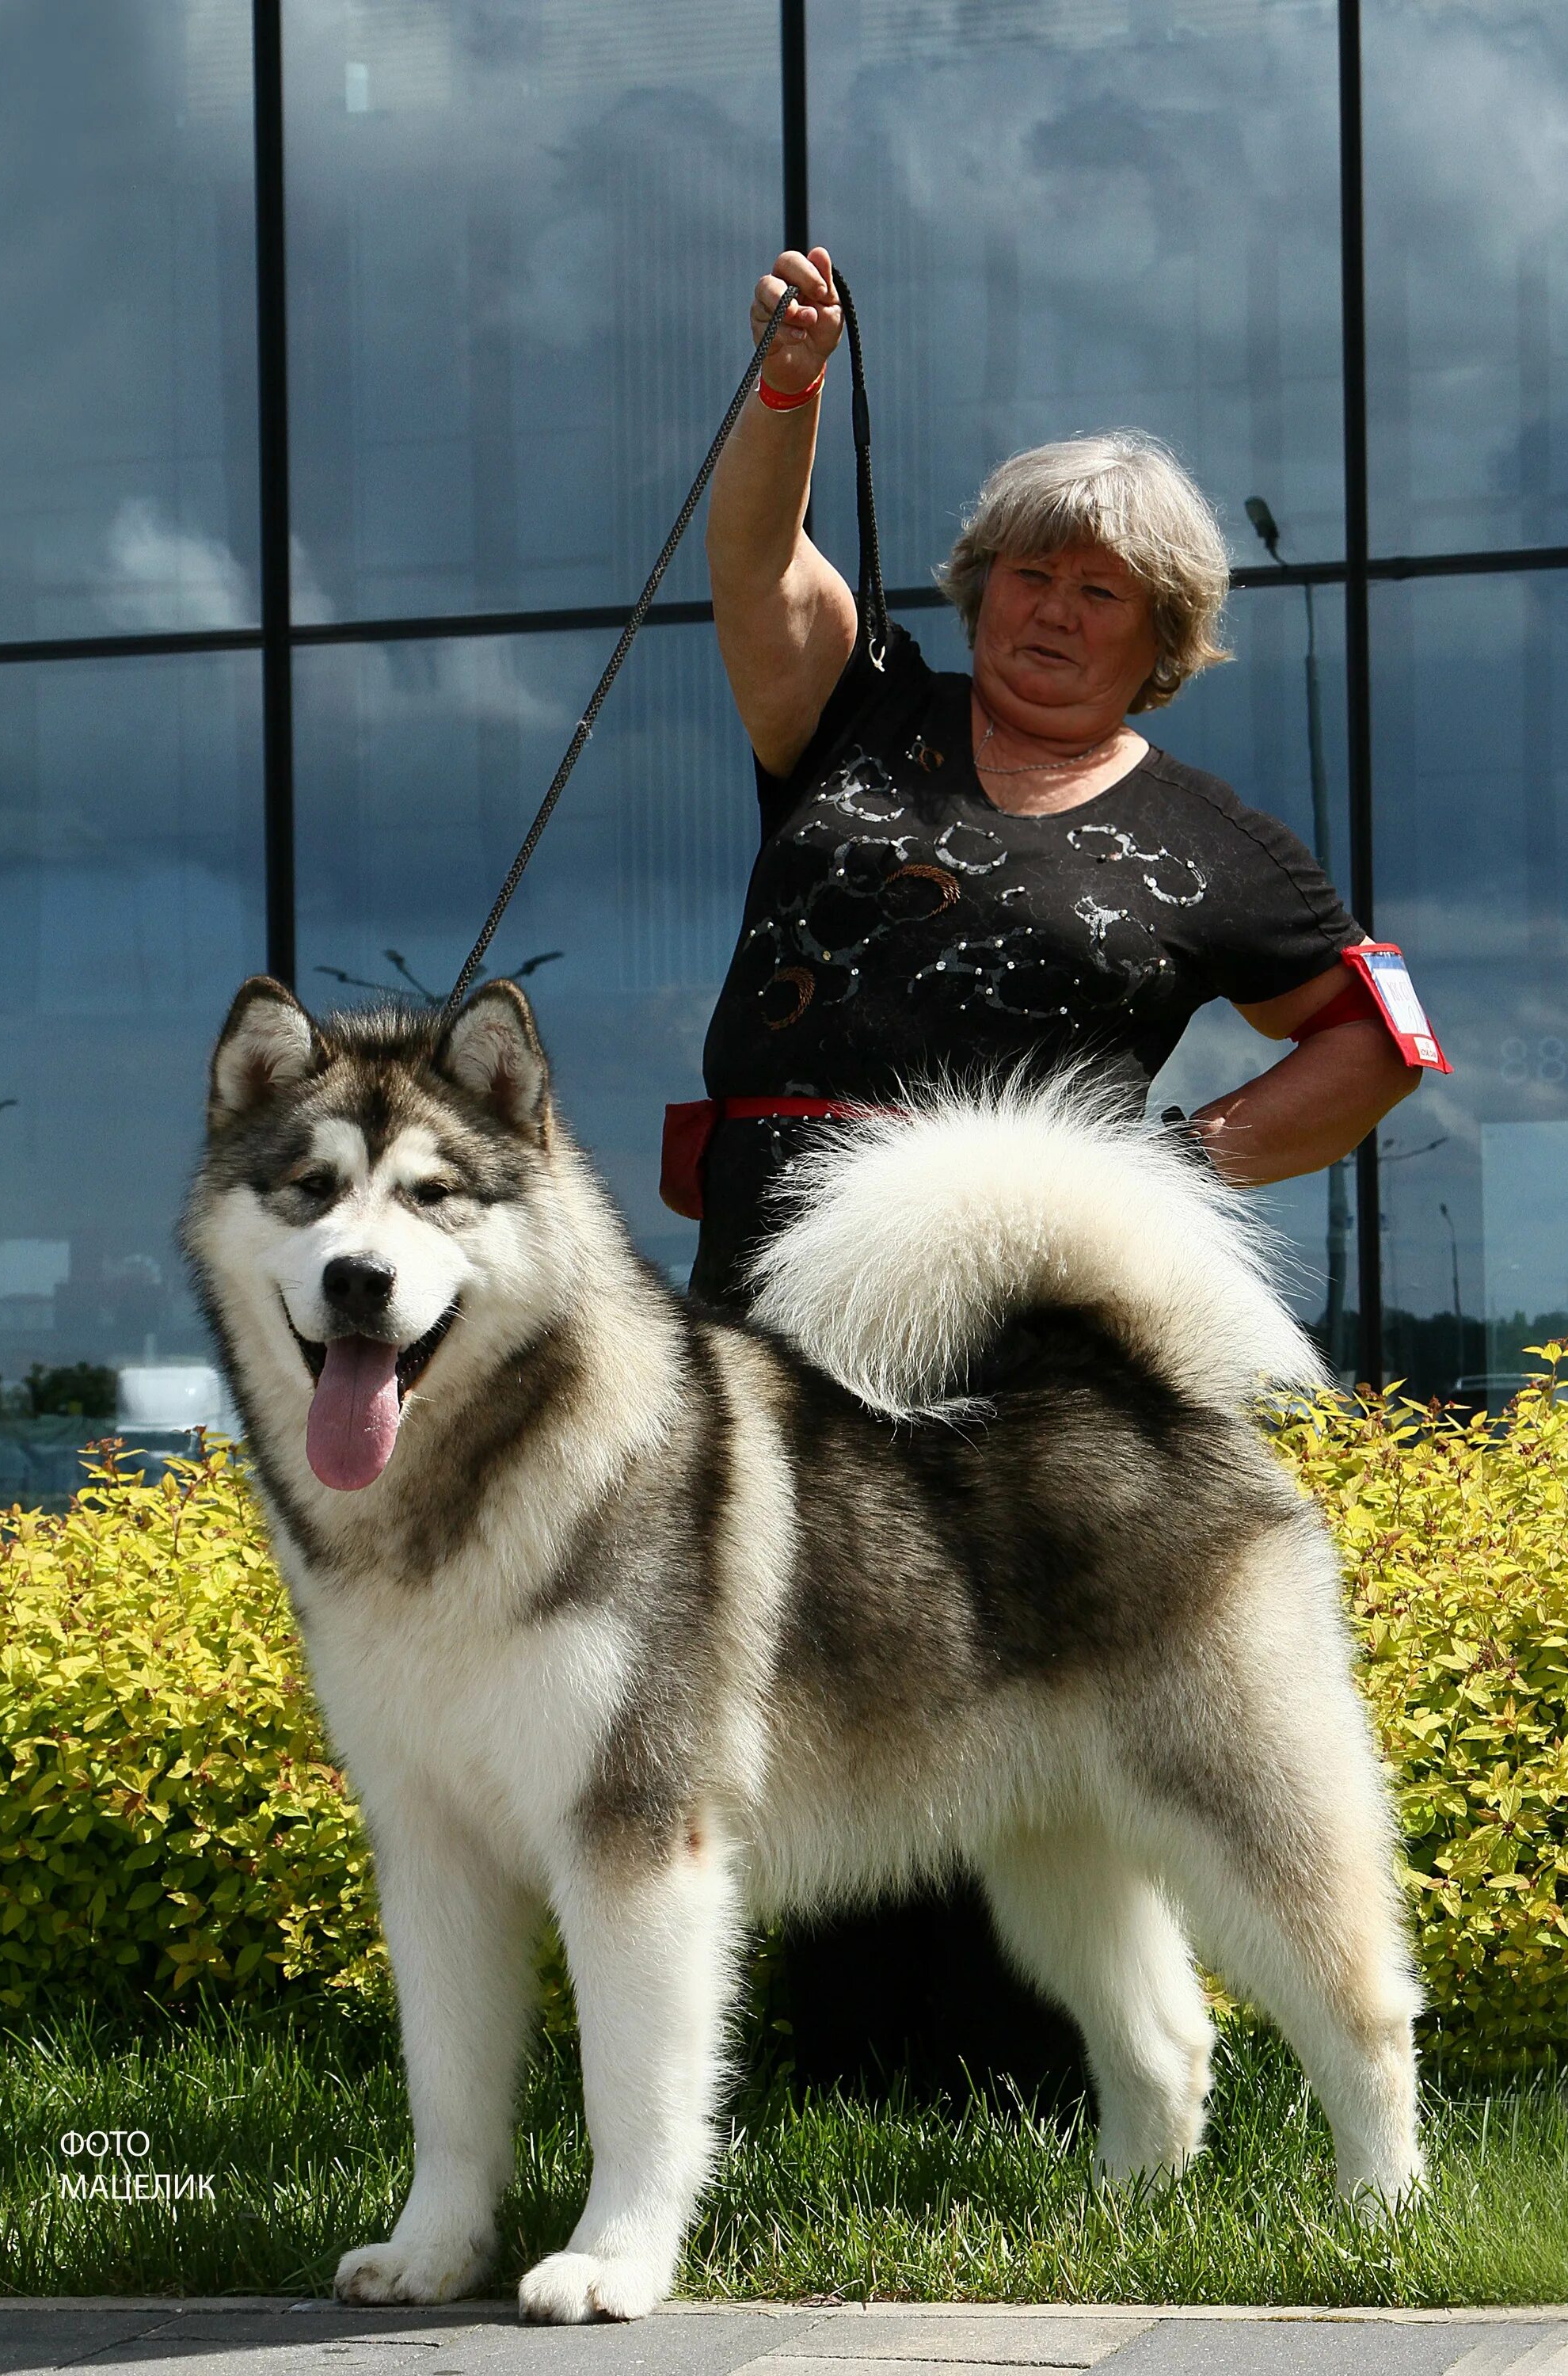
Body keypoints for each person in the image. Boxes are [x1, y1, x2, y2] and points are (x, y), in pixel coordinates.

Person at [688, 246, 1426, 2100]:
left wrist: (1181, 1163)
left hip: (1016, 1327)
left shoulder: (1222, 845)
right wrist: (791, 383)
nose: (1050, 608)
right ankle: (830, 2101)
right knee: (789, 1679)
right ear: (978, 583)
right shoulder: (856, 713)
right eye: (1027, 568)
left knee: (1002, 1692)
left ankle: (1029, 2098)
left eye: (1100, 590)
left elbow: (1371, 1042)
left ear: (1158, 635)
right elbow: (758, 570)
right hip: (773, 1279)